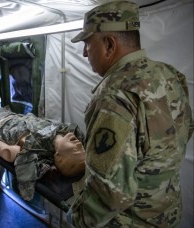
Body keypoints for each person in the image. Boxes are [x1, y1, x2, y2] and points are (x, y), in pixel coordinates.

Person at [67, 1, 194, 227]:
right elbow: (185, 131)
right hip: (167, 214)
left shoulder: (115, 94)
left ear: (109, 44)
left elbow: (110, 193)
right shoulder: (169, 74)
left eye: (87, 43)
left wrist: (76, 219)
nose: (85, 53)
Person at [0, 93, 86, 201]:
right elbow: (79, 133)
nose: (78, 144)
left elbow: (26, 187)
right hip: (7, 115)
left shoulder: (35, 151)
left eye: (75, 150)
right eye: (81, 147)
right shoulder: (61, 130)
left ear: (58, 157)